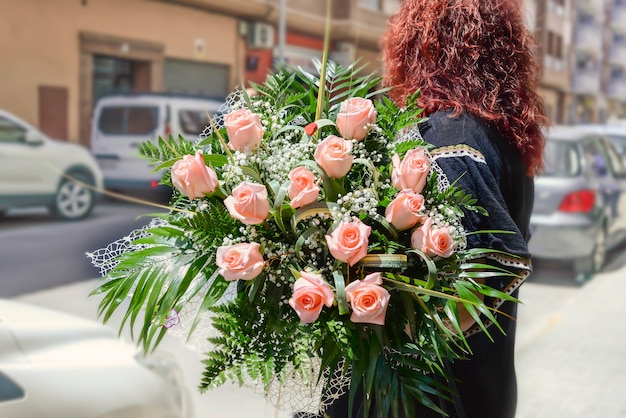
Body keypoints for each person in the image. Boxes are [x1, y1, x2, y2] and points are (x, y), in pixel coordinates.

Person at [324, 0, 548, 417]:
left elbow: (473, 289)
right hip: (485, 389)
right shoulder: (502, 138)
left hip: (431, 398)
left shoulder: (450, 136)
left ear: (422, 44)